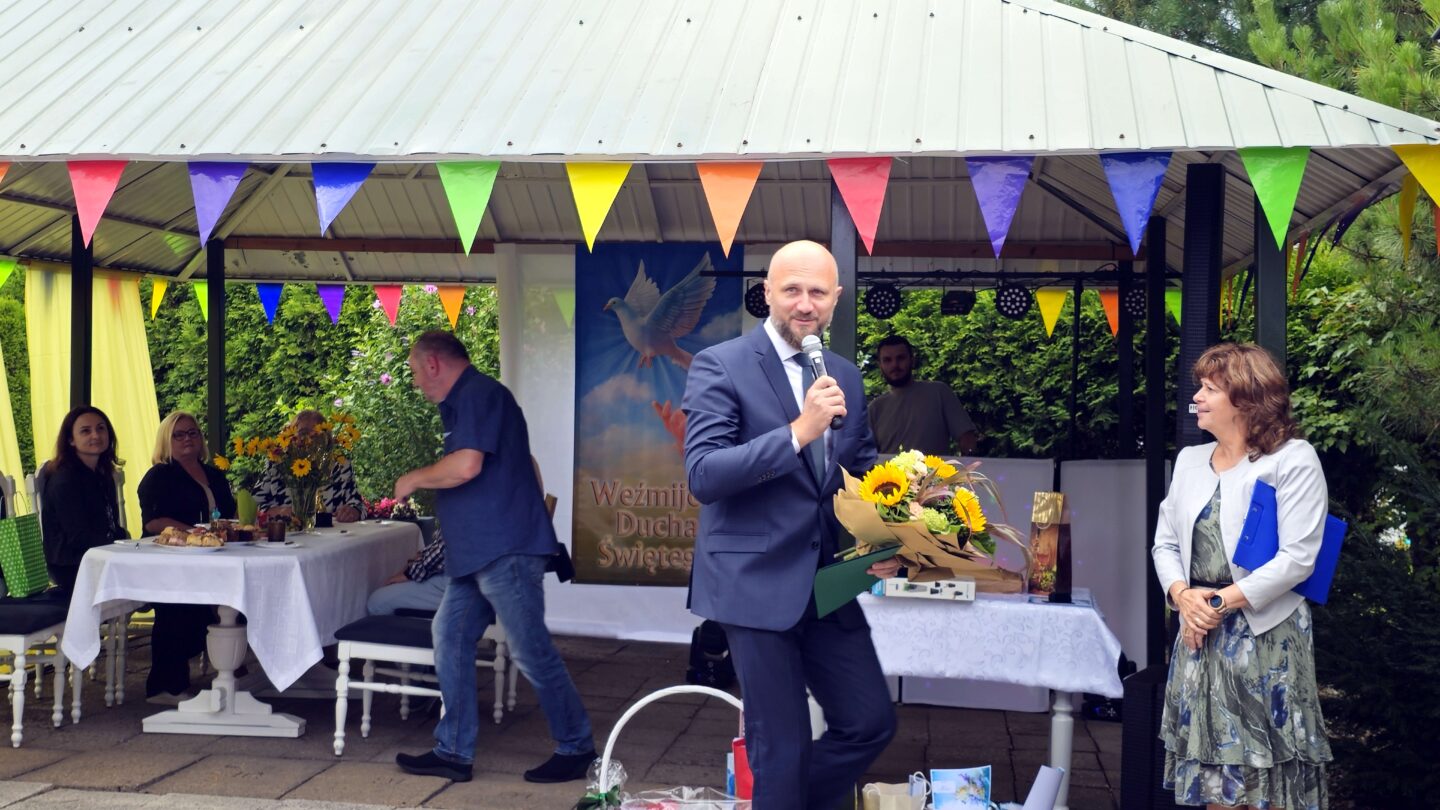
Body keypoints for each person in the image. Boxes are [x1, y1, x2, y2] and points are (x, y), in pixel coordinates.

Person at [682, 239, 899, 809]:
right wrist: (800, 431)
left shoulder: (845, 375)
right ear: (768, 293)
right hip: (753, 583)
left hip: (828, 586)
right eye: (792, 290)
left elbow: (859, 473)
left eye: (818, 292)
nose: (805, 304)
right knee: (782, 748)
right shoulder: (721, 364)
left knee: (870, 722)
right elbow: (703, 474)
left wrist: (896, 532)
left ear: (836, 298)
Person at [391, 331, 595, 784]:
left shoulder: (479, 393)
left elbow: (467, 466)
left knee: (529, 649)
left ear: (433, 364)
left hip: (503, 549)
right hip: (477, 552)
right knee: (449, 635)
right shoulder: (466, 401)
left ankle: (577, 745)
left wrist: (414, 478)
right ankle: (453, 751)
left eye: (415, 371)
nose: (416, 382)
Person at [1152, 342, 1332, 809]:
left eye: (1210, 389)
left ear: (1247, 399)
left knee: (1265, 785)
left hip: (1265, 636)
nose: (1197, 397)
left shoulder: (1293, 459)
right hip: (1199, 633)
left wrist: (1214, 604)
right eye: (1200, 387)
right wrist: (1182, 596)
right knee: (1216, 782)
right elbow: (1165, 544)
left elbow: (1298, 559)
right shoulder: (1190, 461)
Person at [136, 411, 236, 705]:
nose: (187, 439)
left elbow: (228, 513)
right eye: (178, 435)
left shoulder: (214, 474)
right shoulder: (158, 476)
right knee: (177, 602)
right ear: (166, 440)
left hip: (215, 556)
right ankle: (166, 686)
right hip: (172, 560)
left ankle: (234, 666)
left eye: (193, 433)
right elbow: (153, 522)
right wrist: (192, 531)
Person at [40, 406, 128, 595]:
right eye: (85, 431)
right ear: (71, 440)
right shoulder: (65, 479)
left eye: (101, 428)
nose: (95, 435)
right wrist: (120, 547)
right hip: (73, 565)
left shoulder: (102, 474)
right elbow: (78, 537)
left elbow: (110, 524)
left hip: (99, 554)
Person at [867, 335, 978, 456]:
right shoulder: (875, 409)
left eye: (901, 358)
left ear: (912, 360)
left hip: (934, 468)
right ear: (880, 365)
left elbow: (967, 438)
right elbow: (865, 455)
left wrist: (967, 463)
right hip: (889, 469)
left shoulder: (939, 393)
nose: (895, 365)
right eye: (887, 360)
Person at [253, 409, 363, 523]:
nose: (309, 439)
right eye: (303, 433)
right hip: (285, 532)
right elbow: (250, 507)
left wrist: (353, 511)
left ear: (327, 439)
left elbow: (358, 505)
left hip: (332, 532)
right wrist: (278, 511)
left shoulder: (341, 465)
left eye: (317, 435)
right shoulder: (276, 465)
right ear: (291, 436)